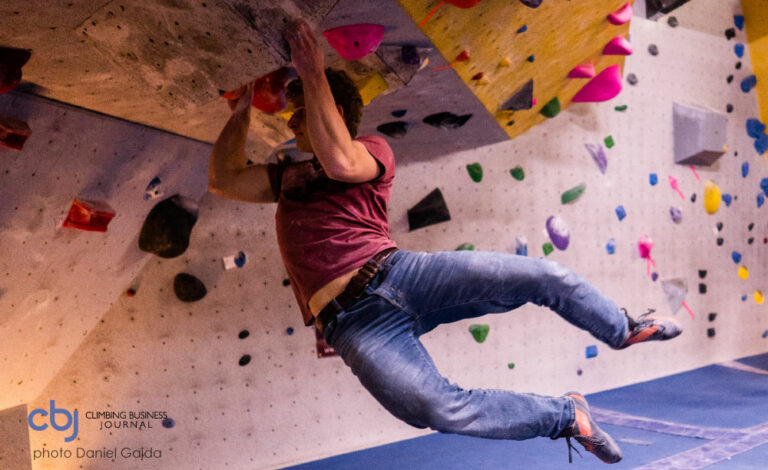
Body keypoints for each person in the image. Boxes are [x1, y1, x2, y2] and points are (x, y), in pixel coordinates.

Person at [208, 19, 683, 465]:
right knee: (435, 410)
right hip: (352, 326)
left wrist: (312, 70)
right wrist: (242, 109)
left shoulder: (373, 150)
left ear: (328, 113)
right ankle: (565, 416)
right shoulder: (288, 178)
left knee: (543, 276)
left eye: (300, 115)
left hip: (399, 277)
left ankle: (620, 328)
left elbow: (338, 161)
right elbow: (225, 179)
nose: (291, 124)